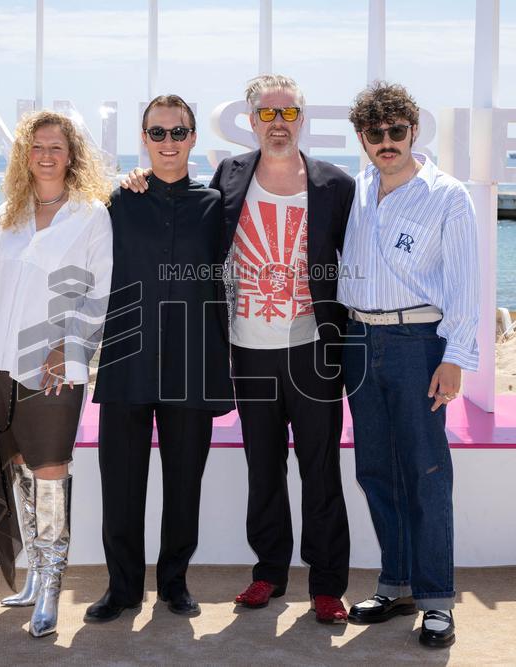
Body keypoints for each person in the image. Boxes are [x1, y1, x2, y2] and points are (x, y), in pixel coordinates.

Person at [121, 74, 355, 624]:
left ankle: (326, 584)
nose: (278, 125)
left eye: (288, 114)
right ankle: (269, 572)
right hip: (247, 350)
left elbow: (356, 267)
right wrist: (134, 178)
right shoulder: (229, 176)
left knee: (320, 468)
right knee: (262, 467)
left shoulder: (335, 185)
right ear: (251, 123)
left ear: (303, 118)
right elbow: (174, 197)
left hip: (313, 350)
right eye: (267, 115)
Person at [338, 81, 479, 649]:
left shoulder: (447, 195)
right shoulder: (358, 190)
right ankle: (394, 584)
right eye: (377, 133)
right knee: (375, 469)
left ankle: (437, 600)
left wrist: (455, 359)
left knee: (425, 471)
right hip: (357, 342)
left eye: (398, 131)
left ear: (414, 131)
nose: (388, 141)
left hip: (419, 342)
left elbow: (467, 284)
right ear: (364, 138)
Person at [83, 95, 234, 623]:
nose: (168, 142)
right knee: (121, 484)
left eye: (178, 132)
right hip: (127, 359)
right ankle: (121, 589)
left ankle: (175, 584)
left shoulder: (217, 205)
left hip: (193, 362)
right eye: (157, 133)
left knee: (184, 483)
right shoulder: (116, 201)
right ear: (143, 140)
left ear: (193, 138)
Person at [0, 110, 113, 638]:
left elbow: (100, 291)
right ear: (25, 155)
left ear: (72, 155)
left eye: (56, 146)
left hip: (55, 365)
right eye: (36, 146)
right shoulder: (8, 211)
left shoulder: (91, 214)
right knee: (21, 464)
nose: (46, 155)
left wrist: (68, 346)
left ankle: (51, 585)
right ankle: (30, 573)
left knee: (51, 469)